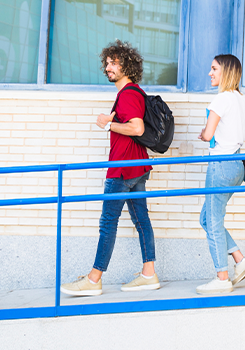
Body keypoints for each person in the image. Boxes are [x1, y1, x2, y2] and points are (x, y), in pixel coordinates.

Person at [60, 40, 159, 296]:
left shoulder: (128, 94)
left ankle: (94, 279)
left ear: (128, 65)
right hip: (136, 166)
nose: (108, 67)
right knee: (141, 220)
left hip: (123, 168)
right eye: (107, 62)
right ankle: (149, 273)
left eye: (114, 62)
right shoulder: (133, 93)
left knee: (108, 223)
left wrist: (106, 123)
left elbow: (136, 128)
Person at [195, 54, 245, 294]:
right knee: (208, 219)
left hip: (220, 164)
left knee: (212, 220)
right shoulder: (243, 99)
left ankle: (222, 277)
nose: (210, 73)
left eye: (214, 69)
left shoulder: (221, 99)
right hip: (236, 166)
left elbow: (209, 135)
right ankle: (240, 260)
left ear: (226, 72)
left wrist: (203, 133)